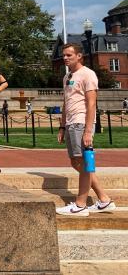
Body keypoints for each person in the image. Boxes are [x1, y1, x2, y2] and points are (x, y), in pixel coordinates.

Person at [56, 43, 116, 216]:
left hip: (81, 122)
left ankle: (80, 204)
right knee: (76, 162)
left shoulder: (88, 74)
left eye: (69, 55)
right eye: (64, 55)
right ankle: (104, 199)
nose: (65, 58)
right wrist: (62, 126)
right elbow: (66, 102)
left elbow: (91, 103)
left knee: (83, 162)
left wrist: (88, 130)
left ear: (79, 56)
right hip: (70, 123)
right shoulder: (67, 77)